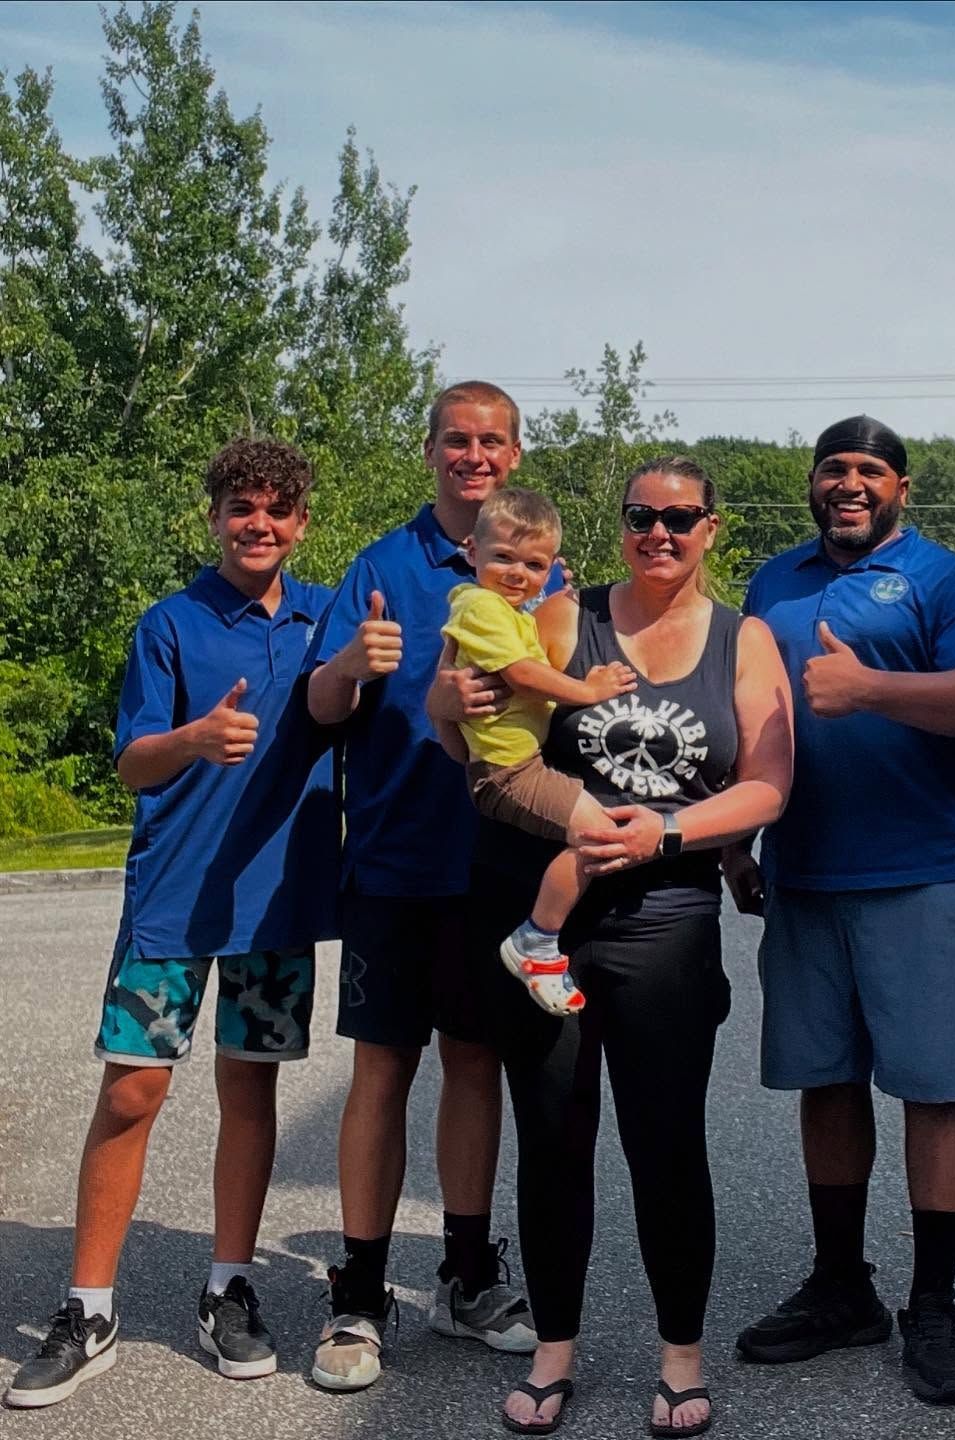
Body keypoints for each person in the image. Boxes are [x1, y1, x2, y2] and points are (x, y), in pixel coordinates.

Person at [429, 455, 792, 1436]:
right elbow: (475, 734)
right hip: (541, 920)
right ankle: (555, 1353)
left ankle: (681, 1358)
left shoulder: (742, 640)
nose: (660, 533)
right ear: (623, 524)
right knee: (552, 1142)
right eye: (642, 516)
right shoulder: (564, 615)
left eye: (681, 518)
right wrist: (445, 709)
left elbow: (768, 783)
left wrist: (668, 833)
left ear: (712, 529)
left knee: (666, 1145)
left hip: (665, 925)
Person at [4, 439, 340, 1408]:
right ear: (214, 518)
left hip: (277, 904)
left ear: (302, 522)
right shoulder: (171, 625)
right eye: (242, 506)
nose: (260, 523)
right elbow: (132, 765)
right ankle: (89, 1305)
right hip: (173, 902)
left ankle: (228, 1288)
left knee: (252, 1089)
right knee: (134, 1092)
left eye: (278, 508)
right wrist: (194, 739)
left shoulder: (328, 623)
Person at [730, 416, 955, 1406]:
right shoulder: (772, 583)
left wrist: (869, 688)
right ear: (813, 483)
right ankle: (842, 1285)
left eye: (869, 471)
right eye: (833, 470)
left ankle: (933, 1303)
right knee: (827, 1080)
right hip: (806, 873)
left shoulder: (949, 581)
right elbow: (752, 717)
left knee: (937, 1088)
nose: (849, 485)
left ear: (900, 485)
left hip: (928, 872)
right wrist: (736, 841)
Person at [303, 382, 538, 1391]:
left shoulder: (543, 570)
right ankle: (358, 1293)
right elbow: (318, 707)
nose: (473, 456)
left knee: (476, 1060)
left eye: (491, 441)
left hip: (498, 862)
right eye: (456, 440)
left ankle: (468, 1275)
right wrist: (354, 662)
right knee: (382, 1070)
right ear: (431, 450)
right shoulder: (381, 566)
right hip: (395, 861)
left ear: (515, 454)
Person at [439, 487, 637, 1015]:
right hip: (507, 771)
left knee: (599, 832)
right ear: (471, 551)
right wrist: (592, 690)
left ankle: (544, 938)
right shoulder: (479, 605)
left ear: (551, 569)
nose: (516, 573)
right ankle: (537, 942)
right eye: (502, 557)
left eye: (533, 564)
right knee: (597, 837)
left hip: (519, 762)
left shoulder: (516, 614)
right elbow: (524, 676)